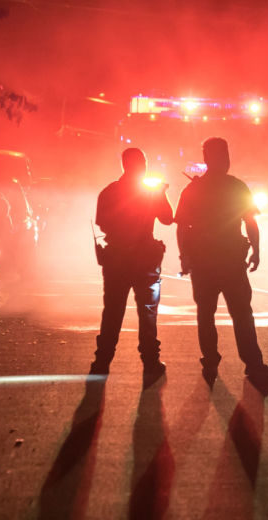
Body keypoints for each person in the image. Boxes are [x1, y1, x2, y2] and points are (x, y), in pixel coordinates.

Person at [175, 137, 268, 380]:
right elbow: (250, 221)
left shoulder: (194, 189)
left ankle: (211, 360)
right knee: (241, 314)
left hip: (204, 262)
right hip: (230, 262)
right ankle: (253, 364)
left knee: (206, 314)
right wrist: (256, 251)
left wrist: (185, 256)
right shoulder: (236, 187)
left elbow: (182, 227)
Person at [90, 148, 174, 378]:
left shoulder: (109, 192)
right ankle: (150, 361)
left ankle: (102, 361)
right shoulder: (151, 192)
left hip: (116, 259)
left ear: (124, 165)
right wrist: (161, 193)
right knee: (147, 312)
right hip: (145, 259)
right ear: (142, 166)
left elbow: (102, 223)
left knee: (112, 311)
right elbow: (168, 218)